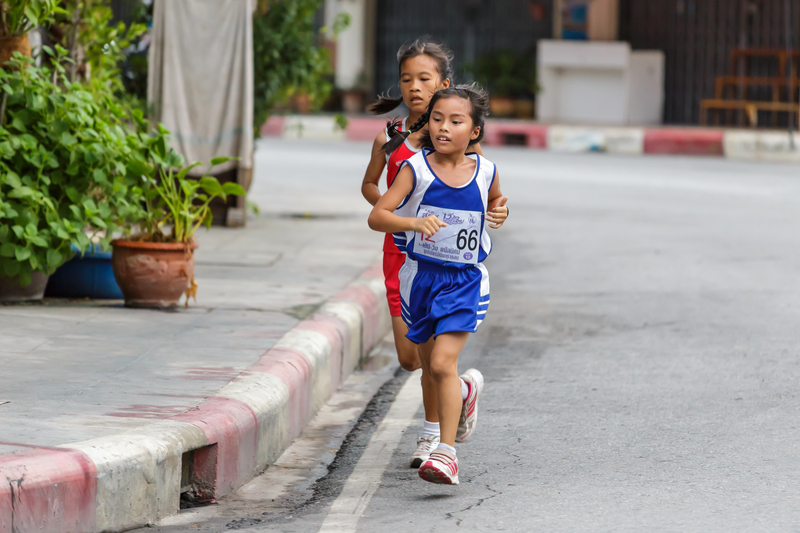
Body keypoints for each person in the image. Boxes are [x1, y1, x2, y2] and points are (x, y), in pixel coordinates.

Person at [368, 85, 508, 485]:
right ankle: (463, 394)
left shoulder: (486, 171)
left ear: (475, 131)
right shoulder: (416, 169)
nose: (444, 127)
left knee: (443, 362)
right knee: (430, 367)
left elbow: (496, 200)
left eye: (456, 121)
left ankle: (446, 453)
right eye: (437, 119)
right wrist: (413, 223)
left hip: (464, 280)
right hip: (421, 279)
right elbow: (378, 216)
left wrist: (501, 210)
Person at [361, 39, 484, 469]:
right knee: (411, 358)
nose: (414, 87)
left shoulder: (458, 140)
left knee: (436, 358)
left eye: (424, 79)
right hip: (399, 256)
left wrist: (496, 211)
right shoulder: (391, 138)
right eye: (406, 79)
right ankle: (462, 395)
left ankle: (434, 435)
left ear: (443, 83)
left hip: (442, 260)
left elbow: (481, 189)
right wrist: (399, 209)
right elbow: (370, 187)